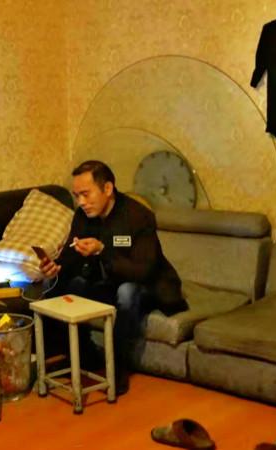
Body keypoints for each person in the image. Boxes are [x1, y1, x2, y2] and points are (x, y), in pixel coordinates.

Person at [40, 160, 187, 394]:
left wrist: (102, 251)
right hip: (107, 282)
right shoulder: (83, 216)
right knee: (61, 286)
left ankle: (117, 370)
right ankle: (84, 355)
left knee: (126, 292)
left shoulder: (138, 216)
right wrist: (55, 267)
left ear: (107, 189)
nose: (81, 202)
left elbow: (143, 271)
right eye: (77, 196)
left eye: (86, 194)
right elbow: (71, 255)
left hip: (147, 285)